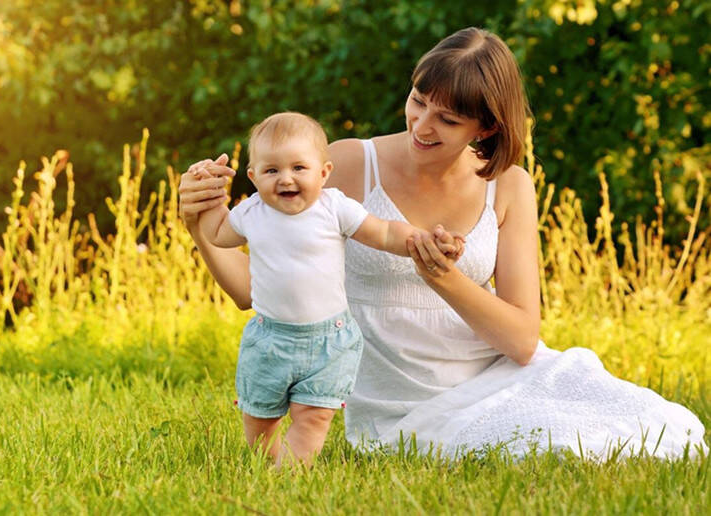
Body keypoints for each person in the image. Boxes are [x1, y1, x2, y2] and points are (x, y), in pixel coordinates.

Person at [179, 27, 707, 460]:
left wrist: (445, 278)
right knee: (541, 448)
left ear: (485, 127)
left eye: (447, 119)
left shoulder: (510, 186)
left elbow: (522, 340)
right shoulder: (348, 167)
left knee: (653, 429)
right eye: (418, 101)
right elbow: (253, 291)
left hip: (495, 373)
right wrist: (201, 225)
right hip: (397, 399)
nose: (421, 125)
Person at [195, 111, 464, 467]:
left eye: (298, 168)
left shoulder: (333, 207)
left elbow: (383, 232)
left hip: (329, 340)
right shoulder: (251, 214)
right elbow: (215, 234)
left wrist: (421, 238)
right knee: (259, 419)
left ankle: (289, 475)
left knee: (314, 416)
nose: (285, 179)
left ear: (323, 173)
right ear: (253, 176)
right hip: (269, 340)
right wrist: (210, 198)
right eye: (271, 170)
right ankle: (269, 461)